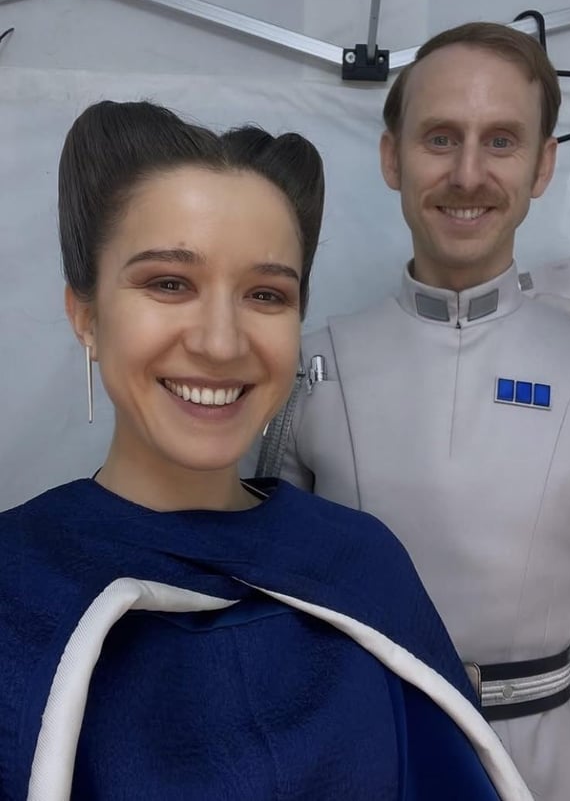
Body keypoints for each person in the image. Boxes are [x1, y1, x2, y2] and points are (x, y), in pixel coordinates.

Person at [0, 100, 531, 801]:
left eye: (265, 294)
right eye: (169, 283)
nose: (221, 342)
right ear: (86, 314)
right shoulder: (17, 582)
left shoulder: (361, 561)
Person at [257, 22, 570, 801]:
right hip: (361, 761)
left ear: (543, 164)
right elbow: (271, 629)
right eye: (440, 138)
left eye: (501, 141)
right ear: (392, 157)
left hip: (543, 777)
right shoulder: (310, 369)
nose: (468, 174)